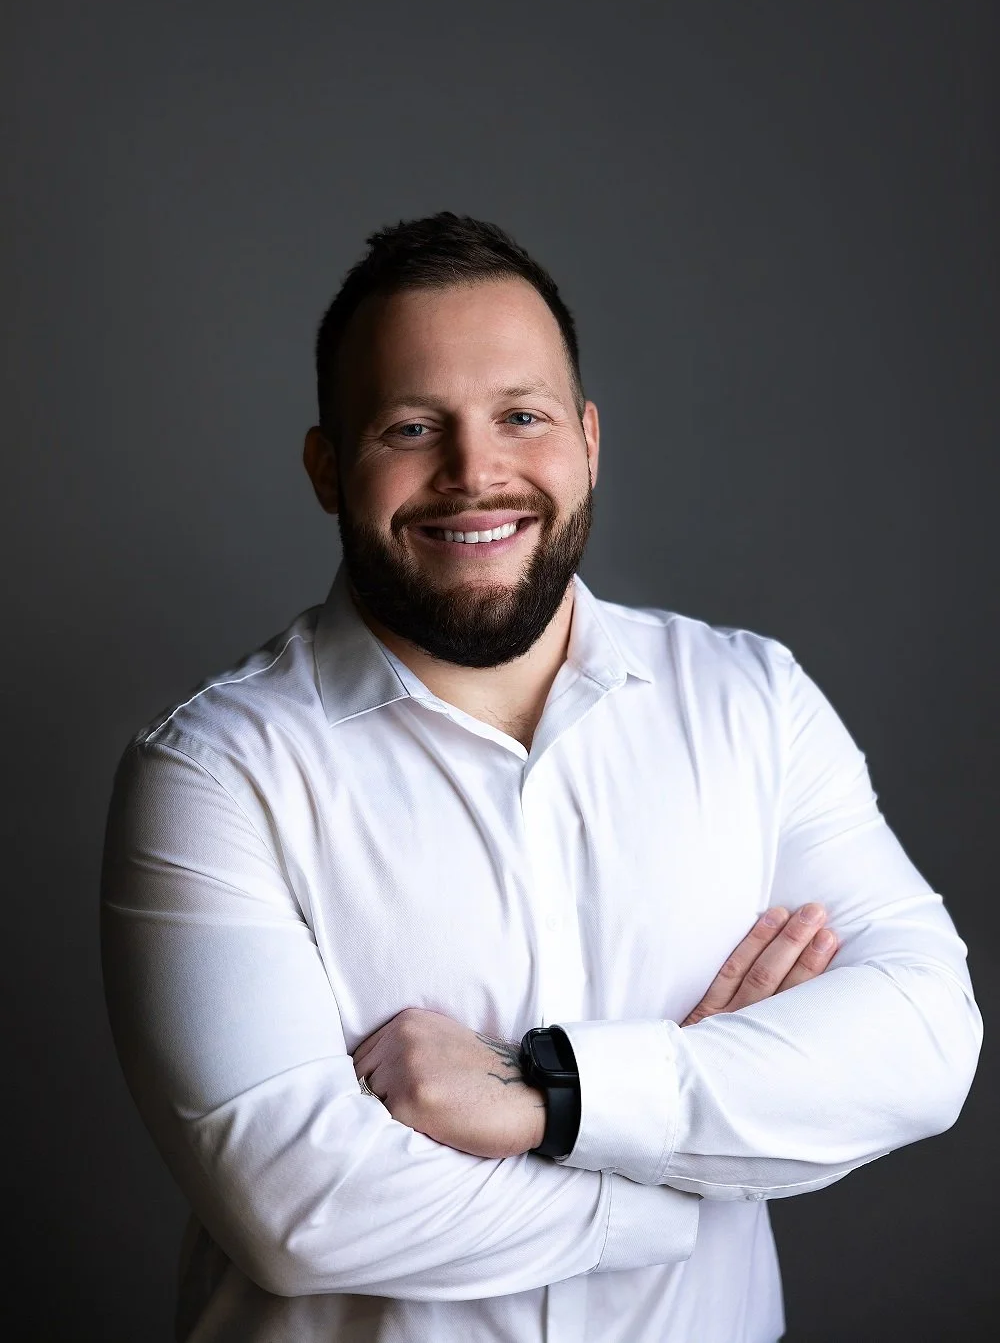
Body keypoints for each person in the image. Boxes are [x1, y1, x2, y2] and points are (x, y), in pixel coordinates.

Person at [101, 212, 982, 1343]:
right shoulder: (214, 771)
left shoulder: (750, 700)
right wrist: (691, 1165)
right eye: (412, 427)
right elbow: (301, 1208)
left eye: (521, 416)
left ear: (588, 442)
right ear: (328, 466)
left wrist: (551, 1097)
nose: (476, 473)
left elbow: (922, 1044)